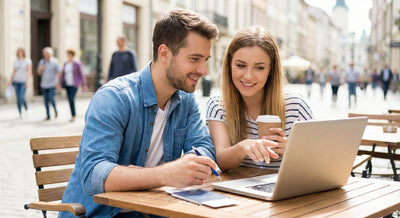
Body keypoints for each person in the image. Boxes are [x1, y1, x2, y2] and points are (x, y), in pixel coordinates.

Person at [60, 9, 219, 218]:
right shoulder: (115, 98)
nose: (203, 70)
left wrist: (190, 163)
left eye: (205, 59)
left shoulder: (186, 99)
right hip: (100, 214)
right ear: (164, 53)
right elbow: (94, 175)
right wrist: (167, 174)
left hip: (153, 210)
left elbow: (204, 146)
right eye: (195, 59)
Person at [206, 26, 314, 171]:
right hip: (240, 191)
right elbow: (222, 162)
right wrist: (243, 147)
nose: (249, 76)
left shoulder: (296, 106)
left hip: (286, 190)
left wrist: (291, 152)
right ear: (229, 65)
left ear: (270, 70)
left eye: (259, 68)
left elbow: (316, 161)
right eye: (240, 65)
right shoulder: (218, 106)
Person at [59, 48, 87, 122]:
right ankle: (72, 115)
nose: (67, 55)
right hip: (67, 84)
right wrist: (59, 83)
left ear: (72, 54)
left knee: (71, 98)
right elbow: (63, 74)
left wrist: (84, 84)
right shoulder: (66, 63)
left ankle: (74, 115)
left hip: (75, 84)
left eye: (68, 53)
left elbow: (81, 74)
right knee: (69, 100)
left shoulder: (77, 63)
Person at [37, 47, 60, 120]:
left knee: (51, 98)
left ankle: (55, 110)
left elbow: (58, 73)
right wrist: (41, 69)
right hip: (44, 84)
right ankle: (48, 115)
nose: (46, 55)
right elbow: (38, 73)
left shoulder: (55, 62)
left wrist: (58, 83)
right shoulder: (41, 62)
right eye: (45, 53)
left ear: (51, 54)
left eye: (48, 53)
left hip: (52, 84)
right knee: (45, 101)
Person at [8, 48, 32, 118]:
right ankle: (20, 112)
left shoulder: (27, 61)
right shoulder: (16, 61)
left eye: (21, 52)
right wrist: (10, 80)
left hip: (23, 81)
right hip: (16, 81)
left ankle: (26, 108)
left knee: (22, 96)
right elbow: (14, 71)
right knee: (18, 97)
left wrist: (27, 81)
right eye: (18, 52)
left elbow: (29, 71)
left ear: (23, 53)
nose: (19, 53)